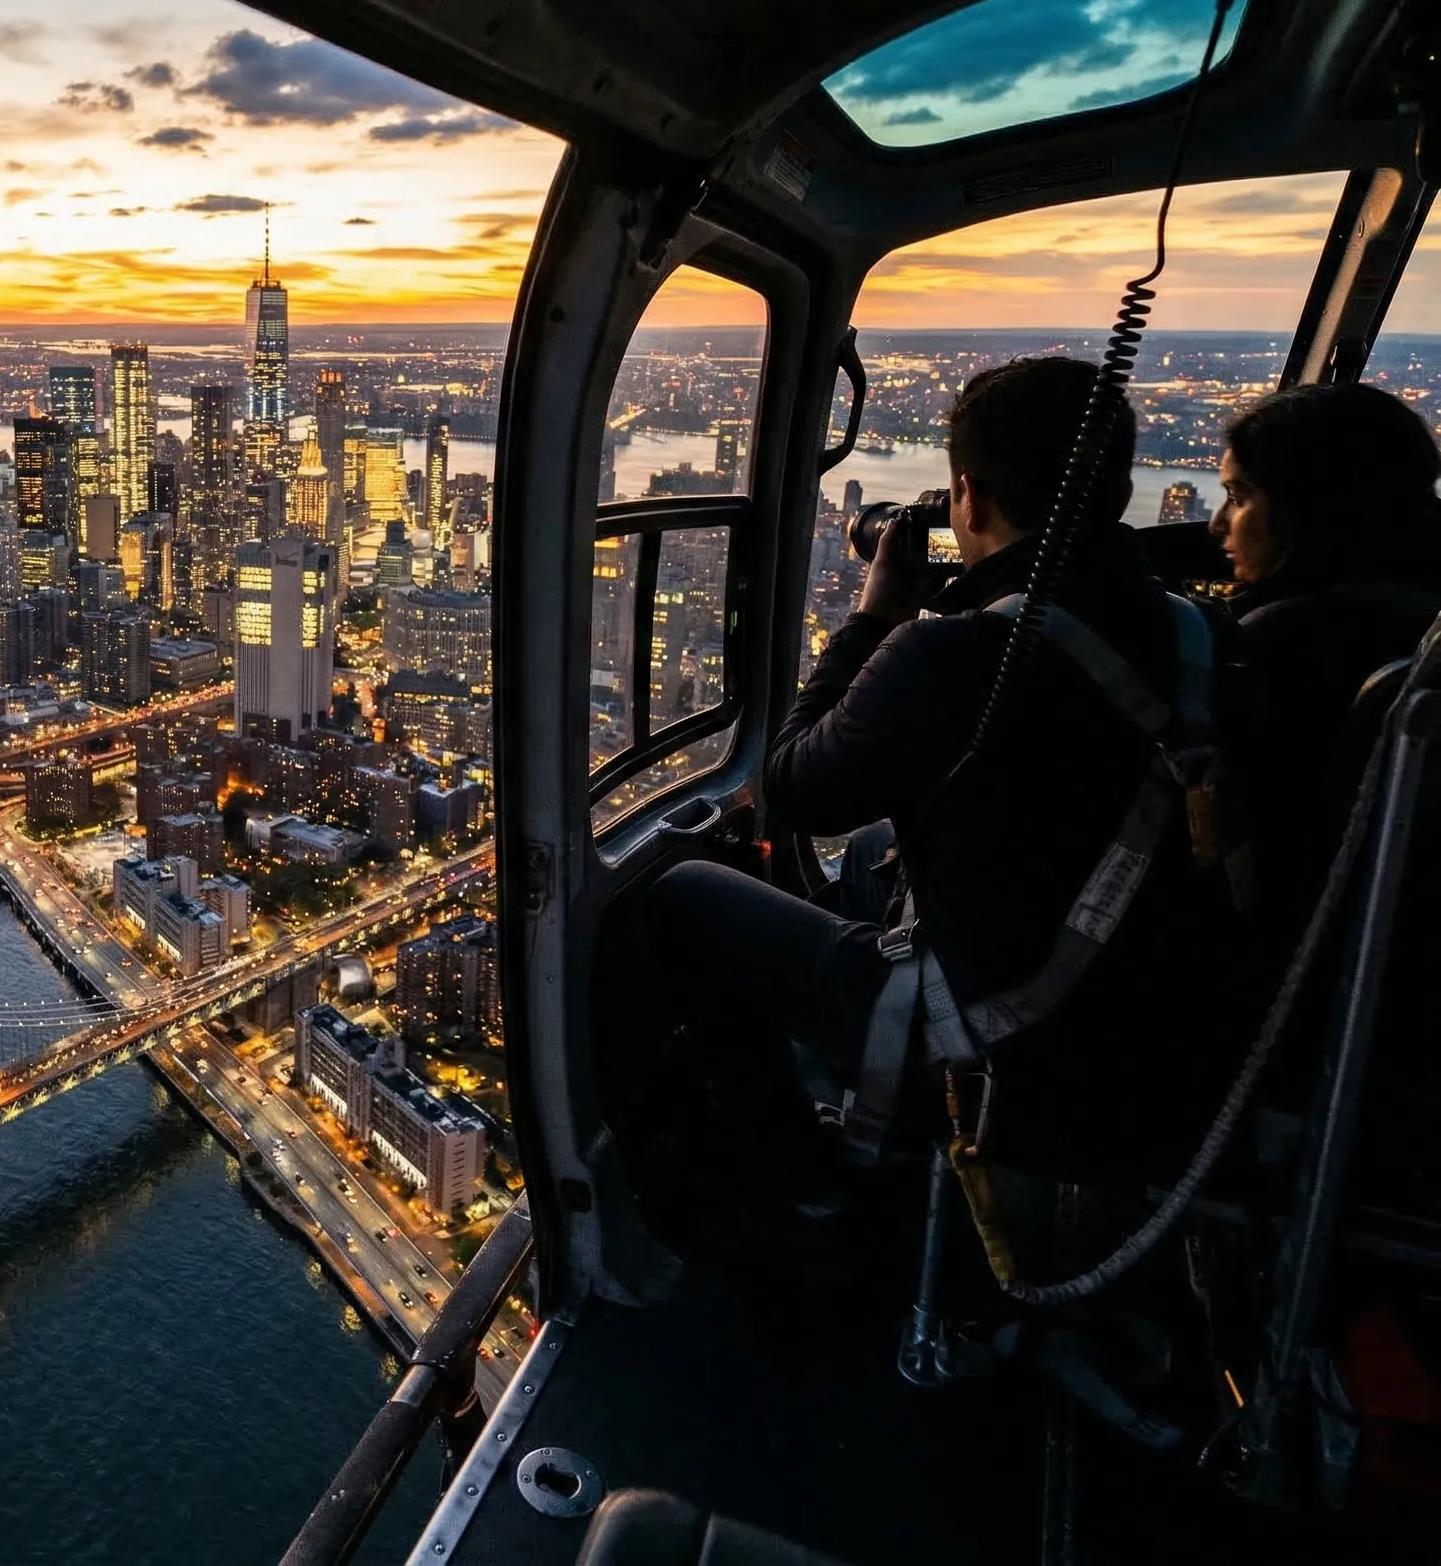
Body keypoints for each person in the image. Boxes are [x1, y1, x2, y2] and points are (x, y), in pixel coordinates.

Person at [608, 358, 1236, 1237]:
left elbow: (790, 789)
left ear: (966, 497)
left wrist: (876, 619)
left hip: (1002, 1045)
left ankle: (803, 1180)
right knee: (871, 853)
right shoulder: (1203, 629)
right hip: (1167, 1033)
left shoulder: (959, 656)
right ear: (1121, 486)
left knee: (677, 899)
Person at [1212, 381, 1441, 933]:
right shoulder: (1423, 620)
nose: (1218, 524)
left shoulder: (1276, 648)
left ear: (1305, 511)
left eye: (1239, 498)